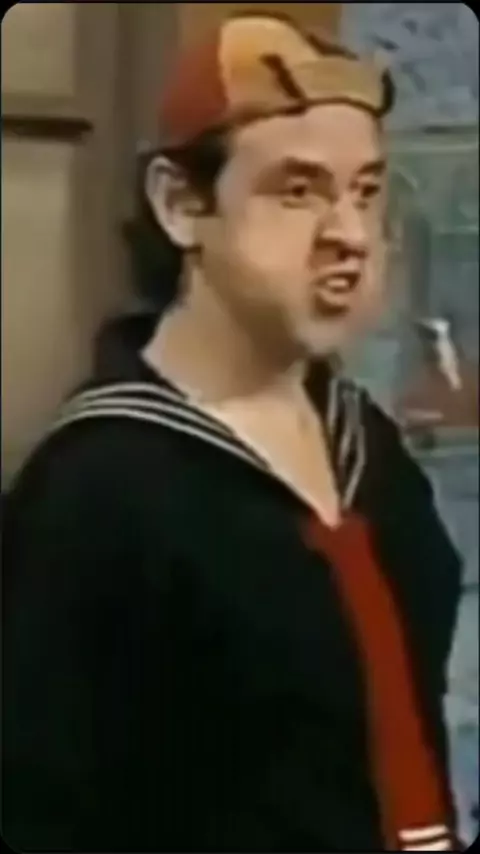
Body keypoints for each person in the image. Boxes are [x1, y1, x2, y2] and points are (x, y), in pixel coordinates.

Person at [3, 12, 464, 852]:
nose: (349, 236)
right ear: (182, 205)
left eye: (365, 191)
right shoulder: (97, 492)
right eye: (297, 191)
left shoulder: (370, 450)